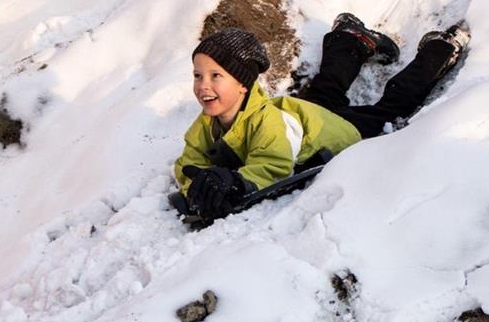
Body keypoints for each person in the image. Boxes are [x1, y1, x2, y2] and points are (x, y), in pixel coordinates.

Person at [173, 15, 469, 220]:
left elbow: (273, 167)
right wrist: (198, 188)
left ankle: (440, 49)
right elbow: (189, 164)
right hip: (307, 120)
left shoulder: (268, 124)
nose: (203, 86)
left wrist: (237, 182)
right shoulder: (205, 125)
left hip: (341, 131)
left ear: (243, 84)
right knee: (325, 91)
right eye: (197, 76)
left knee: (392, 106)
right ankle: (348, 39)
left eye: (215, 76)